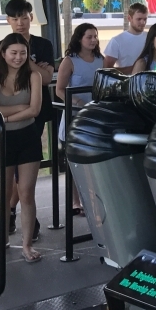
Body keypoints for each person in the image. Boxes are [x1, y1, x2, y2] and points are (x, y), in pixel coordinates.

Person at [0, 0, 54, 237]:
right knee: (7, 180)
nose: (20, 22)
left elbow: (46, 80)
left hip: (33, 121)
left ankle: (25, 224)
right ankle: (9, 219)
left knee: (26, 180)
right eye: (14, 18)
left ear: (30, 18)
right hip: (3, 129)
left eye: (24, 17)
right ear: (8, 21)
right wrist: (19, 108)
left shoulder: (43, 45)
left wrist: (29, 62)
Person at [0, 33, 43, 263]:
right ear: (3, 53)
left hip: (28, 136)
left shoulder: (34, 76)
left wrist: (5, 116)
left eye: (23, 52)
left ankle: (26, 244)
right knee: (4, 195)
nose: (18, 57)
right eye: (14, 52)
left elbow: (35, 110)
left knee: (27, 193)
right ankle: (2, 238)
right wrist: (20, 106)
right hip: (1, 139)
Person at [56, 23, 103, 216]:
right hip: (74, 116)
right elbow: (59, 89)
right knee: (74, 161)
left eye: (95, 37)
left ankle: (94, 199)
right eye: (89, 37)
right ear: (80, 39)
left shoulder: (101, 59)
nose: (93, 40)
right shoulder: (70, 60)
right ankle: (76, 201)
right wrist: (75, 101)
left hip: (94, 116)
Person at [103, 3, 149, 74]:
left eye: (145, 19)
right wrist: (135, 69)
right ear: (129, 18)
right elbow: (106, 69)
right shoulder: (116, 41)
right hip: (125, 83)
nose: (143, 22)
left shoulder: (151, 37)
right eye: (139, 19)